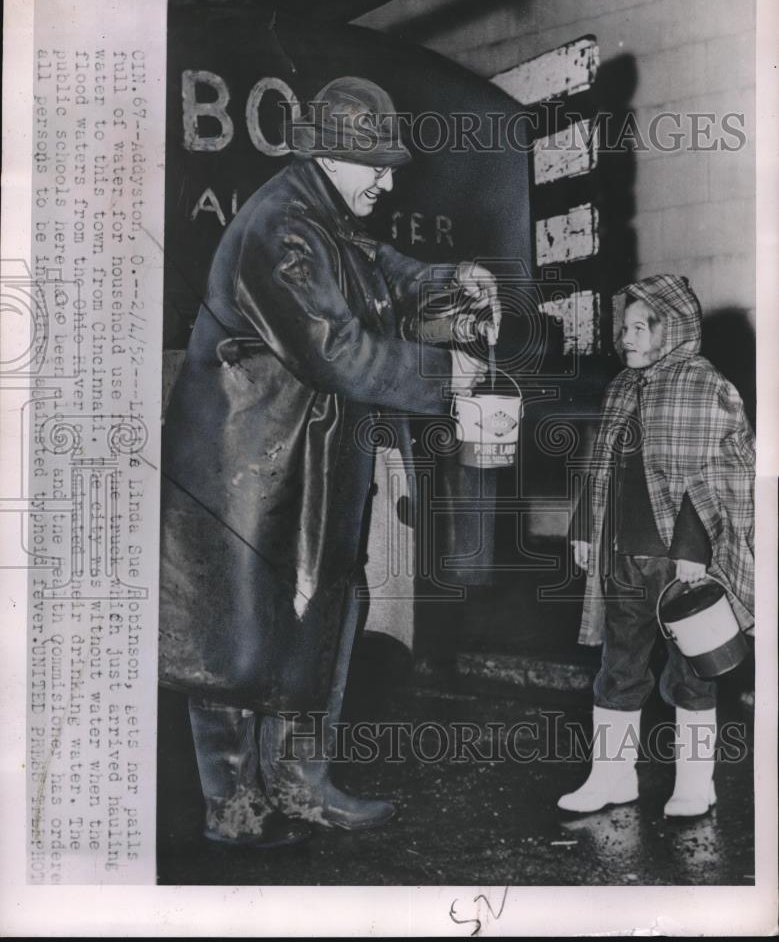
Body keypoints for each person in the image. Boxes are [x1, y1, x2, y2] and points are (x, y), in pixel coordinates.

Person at [158, 76, 501, 847]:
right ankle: (234, 805)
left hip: (302, 452)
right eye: (374, 165)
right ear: (328, 155)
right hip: (244, 463)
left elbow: (380, 268)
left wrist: (445, 280)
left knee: (315, 615)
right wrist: (450, 376)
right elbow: (337, 349)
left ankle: (301, 784)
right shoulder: (284, 229)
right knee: (237, 630)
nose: (387, 179)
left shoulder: (325, 216)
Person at [560, 273, 754, 818]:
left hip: (684, 563)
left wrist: (694, 547)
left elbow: (718, 475)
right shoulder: (622, 387)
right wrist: (583, 529)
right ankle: (611, 778)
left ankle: (696, 784)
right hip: (625, 559)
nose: (627, 338)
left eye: (640, 328)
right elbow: (598, 469)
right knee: (618, 669)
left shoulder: (705, 386)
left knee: (693, 672)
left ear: (674, 330)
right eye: (624, 328)